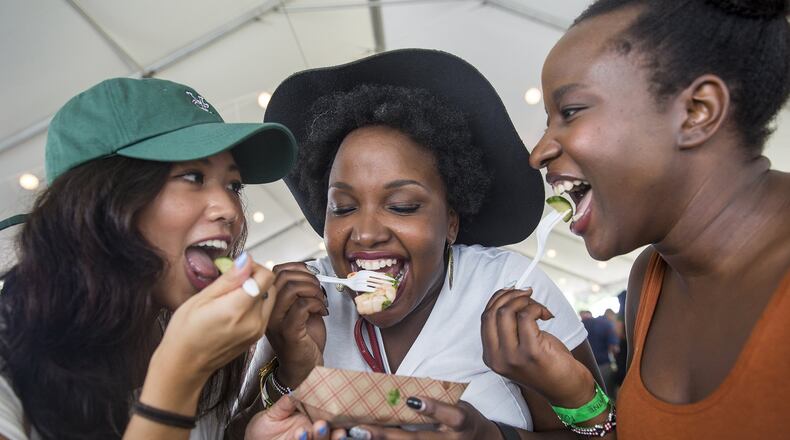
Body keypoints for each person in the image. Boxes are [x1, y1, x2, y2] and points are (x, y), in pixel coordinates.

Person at [233, 49, 603, 439]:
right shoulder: (299, 308)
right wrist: (290, 369)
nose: (365, 233)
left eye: (402, 206)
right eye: (342, 208)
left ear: (451, 223)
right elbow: (232, 433)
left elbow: (600, 430)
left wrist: (493, 436)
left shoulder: (510, 287)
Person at [481, 0, 790, 438]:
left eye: (570, 112)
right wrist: (576, 396)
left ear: (697, 111)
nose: (539, 153)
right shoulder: (651, 278)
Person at [0, 78, 333, 440]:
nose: (229, 211)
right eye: (193, 176)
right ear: (98, 201)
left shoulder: (180, 323)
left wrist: (290, 370)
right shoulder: (10, 363)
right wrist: (182, 369)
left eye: (233, 186)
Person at [580, 311, 618, 398]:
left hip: (586, 370)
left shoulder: (578, 328)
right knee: (611, 396)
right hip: (604, 366)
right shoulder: (604, 324)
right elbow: (614, 347)